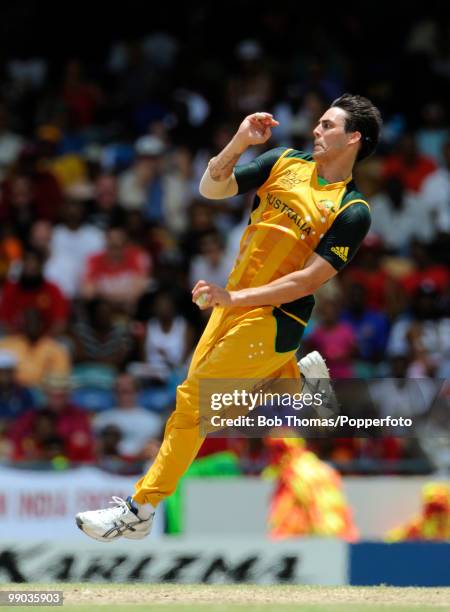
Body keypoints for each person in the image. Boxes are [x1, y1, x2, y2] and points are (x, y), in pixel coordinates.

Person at [76, 93, 382, 541]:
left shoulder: (352, 211)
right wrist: (240, 141)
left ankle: (139, 508)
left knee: (193, 405)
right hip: (232, 305)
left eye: (327, 125)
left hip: (276, 317)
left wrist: (235, 298)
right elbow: (212, 187)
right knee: (206, 413)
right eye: (318, 123)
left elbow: (307, 281)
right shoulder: (282, 161)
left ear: (354, 137)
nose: (316, 130)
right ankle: (298, 384)